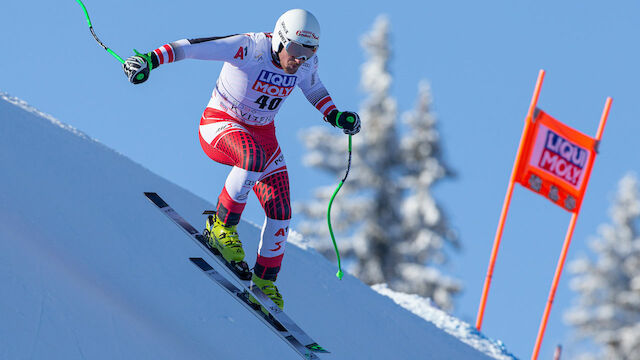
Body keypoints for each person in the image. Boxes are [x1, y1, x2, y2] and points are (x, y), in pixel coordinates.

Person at [122, 9, 361, 310]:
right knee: (252, 157)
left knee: (282, 210)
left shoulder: (305, 63)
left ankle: (264, 283)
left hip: (263, 135)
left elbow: (313, 87)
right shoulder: (249, 47)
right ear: (280, 40)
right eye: (297, 50)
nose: (301, 59)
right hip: (220, 124)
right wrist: (150, 59)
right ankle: (221, 226)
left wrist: (336, 115)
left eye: (310, 51)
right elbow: (192, 48)